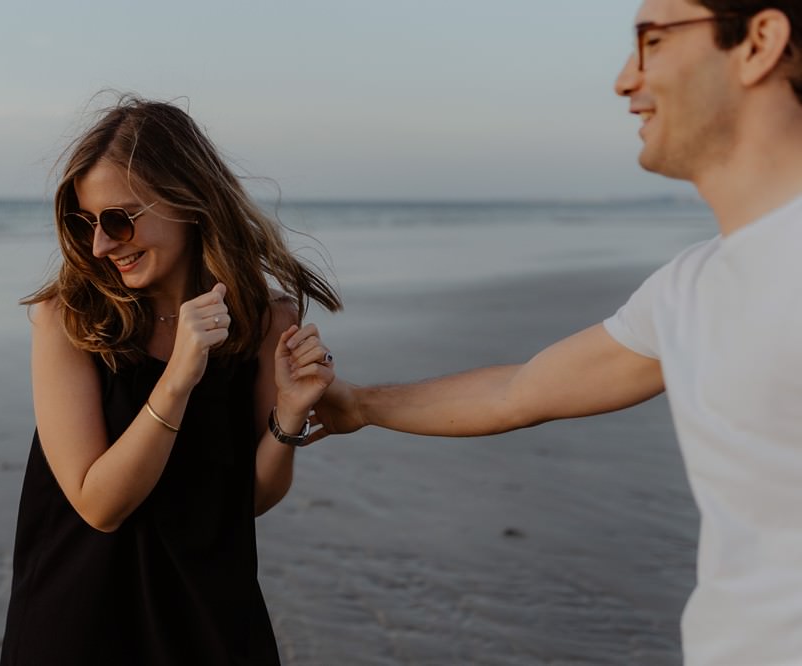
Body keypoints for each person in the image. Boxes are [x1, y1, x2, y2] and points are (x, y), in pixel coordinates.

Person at [313, 1, 802, 664]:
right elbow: (519, 391)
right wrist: (360, 404)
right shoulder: (690, 286)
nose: (625, 80)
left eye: (651, 41)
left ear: (759, 43)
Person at [0, 96, 342, 665]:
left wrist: (288, 416)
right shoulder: (69, 321)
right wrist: (179, 378)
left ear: (188, 201)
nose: (101, 245)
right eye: (83, 224)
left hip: (211, 620)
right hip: (78, 627)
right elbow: (99, 505)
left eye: (118, 219)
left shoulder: (265, 321)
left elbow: (250, 501)